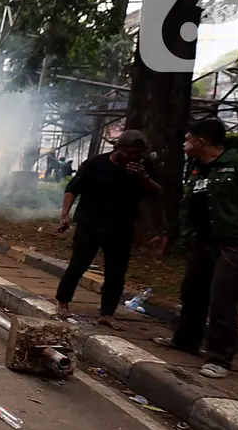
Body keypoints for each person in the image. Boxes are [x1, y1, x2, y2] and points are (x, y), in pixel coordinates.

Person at [150, 118, 238, 378]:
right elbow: (188, 207)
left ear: (201, 141)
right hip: (203, 243)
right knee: (192, 293)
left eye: (188, 140)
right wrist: (170, 234)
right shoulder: (198, 169)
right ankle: (186, 341)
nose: (185, 145)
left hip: (235, 246)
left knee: (223, 301)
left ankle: (220, 358)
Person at [54, 130, 161, 329]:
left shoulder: (142, 168)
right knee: (78, 265)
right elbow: (72, 189)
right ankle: (63, 302)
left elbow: (156, 191)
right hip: (90, 223)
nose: (132, 158)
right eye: (128, 153)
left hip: (121, 226)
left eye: (137, 154)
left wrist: (142, 177)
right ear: (116, 148)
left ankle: (107, 313)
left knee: (116, 272)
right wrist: (65, 215)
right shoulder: (96, 164)